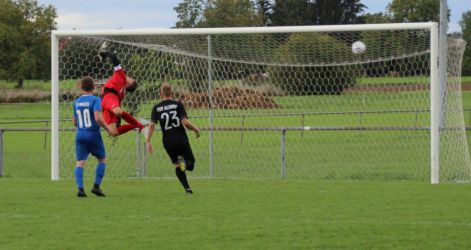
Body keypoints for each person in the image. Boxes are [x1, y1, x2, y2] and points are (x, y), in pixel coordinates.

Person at [145, 83, 201, 194]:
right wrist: (196, 129)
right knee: (191, 164)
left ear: (161, 93)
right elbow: (184, 122)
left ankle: (187, 189)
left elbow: (151, 125)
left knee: (178, 165)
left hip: (168, 142)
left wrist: (147, 141)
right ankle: (183, 163)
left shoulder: (156, 108)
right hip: (181, 139)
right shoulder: (177, 105)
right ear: (172, 93)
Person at [73, 76, 114, 197]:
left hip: (80, 134)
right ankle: (96, 187)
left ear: (81, 87)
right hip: (93, 134)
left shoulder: (76, 102)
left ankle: (80, 189)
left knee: (80, 162)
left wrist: (82, 129)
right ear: (94, 87)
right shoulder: (96, 100)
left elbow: (75, 122)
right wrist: (108, 128)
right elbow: (97, 118)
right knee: (102, 159)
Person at [98, 44, 145, 136]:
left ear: (129, 83)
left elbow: (114, 58)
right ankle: (137, 125)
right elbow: (118, 109)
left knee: (114, 132)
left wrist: (105, 53)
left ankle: (136, 125)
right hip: (108, 98)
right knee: (117, 112)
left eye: (131, 78)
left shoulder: (122, 78)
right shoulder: (121, 89)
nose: (129, 77)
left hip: (108, 99)